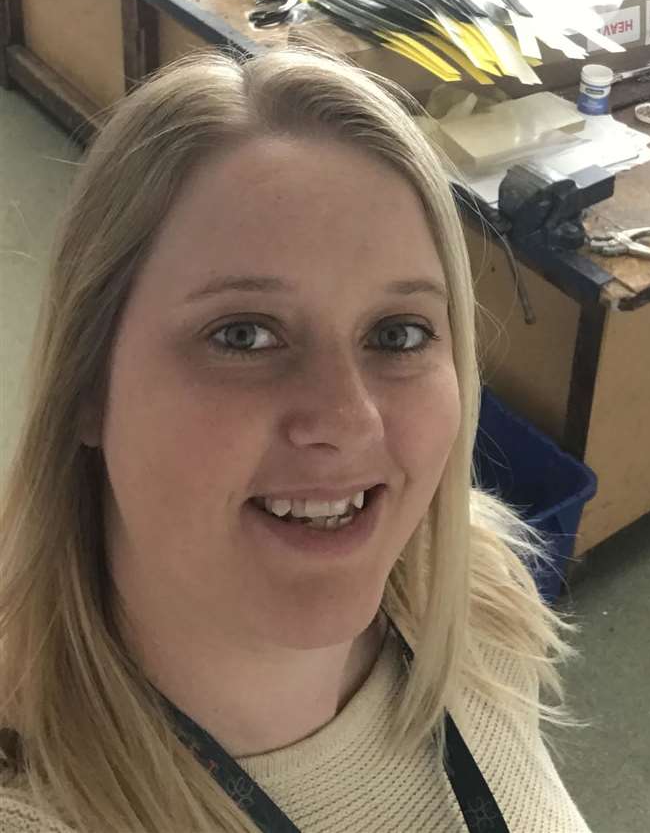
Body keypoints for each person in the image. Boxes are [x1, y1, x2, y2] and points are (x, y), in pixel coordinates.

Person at [0, 52, 589, 833]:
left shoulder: (476, 594)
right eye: (243, 336)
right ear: (86, 387)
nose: (349, 420)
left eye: (398, 332)